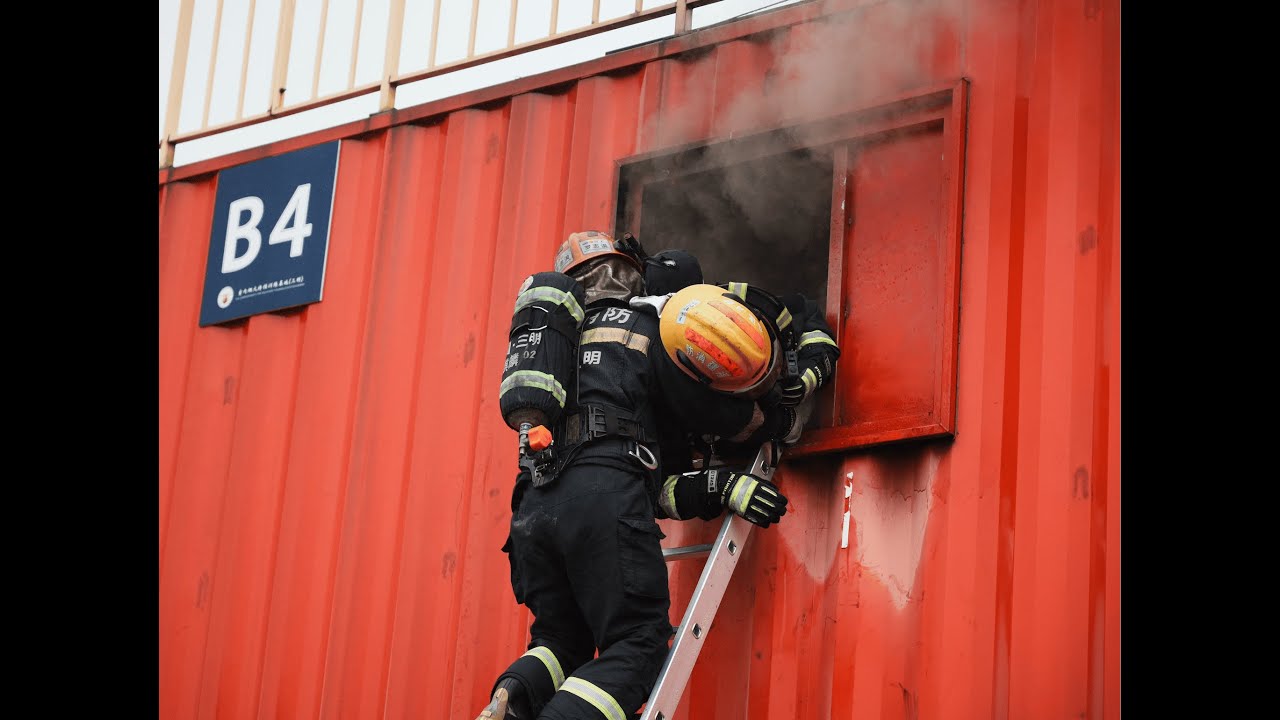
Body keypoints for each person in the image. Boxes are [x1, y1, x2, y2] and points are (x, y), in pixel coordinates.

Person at [479, 231, 788, 720]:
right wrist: (773, 419)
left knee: (560, 639)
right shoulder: (649, 323)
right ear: (625, 270)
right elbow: (717, 417)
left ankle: (511, 698)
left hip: (531, 509)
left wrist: (721, 488)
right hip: (603, 496)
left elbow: (654, 484)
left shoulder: (556, 343)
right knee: (639, 643)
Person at [633, 249, 842, 523]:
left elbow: (810, 322)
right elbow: (657, 492)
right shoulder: (660, 378)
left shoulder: (748, 305)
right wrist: (719, 486)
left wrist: (807, 376)